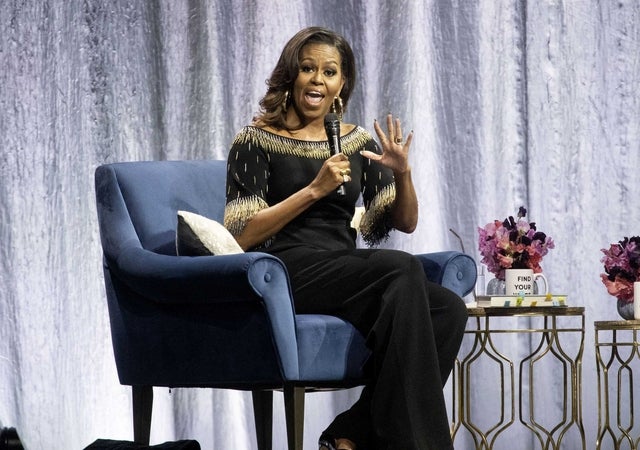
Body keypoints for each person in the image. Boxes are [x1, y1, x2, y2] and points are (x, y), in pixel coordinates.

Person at [224, 26, 467, 450]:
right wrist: (314, 190)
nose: (317, 79)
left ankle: (350, 430)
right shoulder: (255, 141)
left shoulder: (354, 142)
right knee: (401, 268)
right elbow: (240, 236)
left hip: (347, 271)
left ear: (342, 84)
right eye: (307, 68)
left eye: (329, 72)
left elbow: (403, 222)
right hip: (287, 271)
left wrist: (402, 174)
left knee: (447, 309)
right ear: (291, 75)